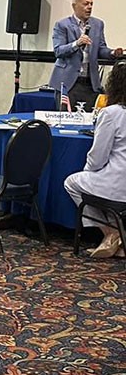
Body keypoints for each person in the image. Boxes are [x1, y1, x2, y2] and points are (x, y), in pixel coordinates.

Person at [64, 60, 126, 258]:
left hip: (116, 184)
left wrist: (88, 170)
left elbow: (98, 158)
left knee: (73, 183)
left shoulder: (111, 114)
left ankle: (110, 232)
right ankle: (117, 235)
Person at [50, 0, 123, 111]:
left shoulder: (98, 24)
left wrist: (112, 53)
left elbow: (101, 49)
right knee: (67, 117)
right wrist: (77, 44)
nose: (89, 7)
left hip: (90, 82)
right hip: (69, 82)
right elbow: (58, 51)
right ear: (74, 6)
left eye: (91, 4)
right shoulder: (62, 25)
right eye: (86, 4)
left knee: (90, 117)